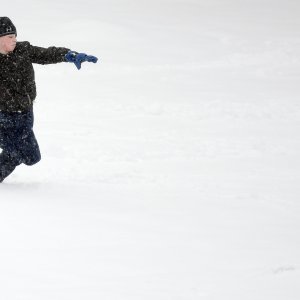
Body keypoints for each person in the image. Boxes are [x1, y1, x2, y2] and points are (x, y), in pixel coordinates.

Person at [0, 17, 98, 182]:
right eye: (10, 37)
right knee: (20, 152)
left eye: (15, 35)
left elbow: (47, 54)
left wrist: (69, 55)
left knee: (30, 156)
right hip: (3, 116)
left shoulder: (23, 50)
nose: (14, 39)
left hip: (25, 113)